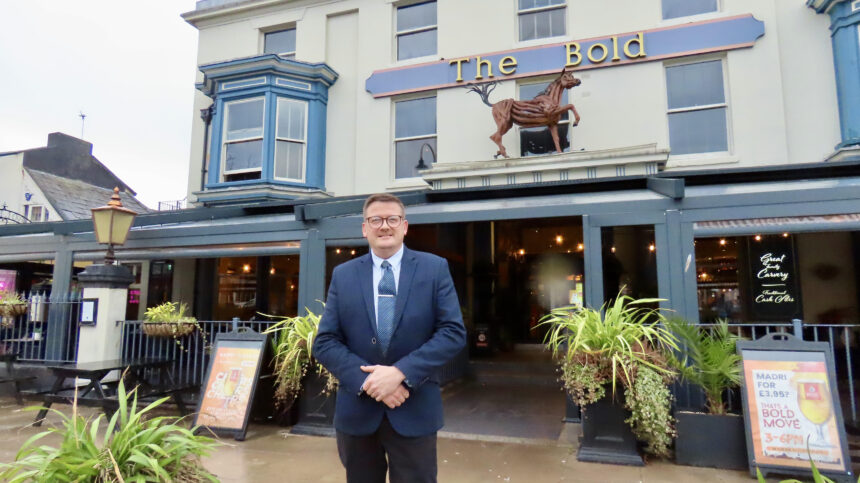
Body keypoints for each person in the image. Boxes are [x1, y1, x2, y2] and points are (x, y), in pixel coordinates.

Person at [313, 193, 466, 483]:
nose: (384, 226)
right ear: (364, 228)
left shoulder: (434, 269)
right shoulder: (343, 275)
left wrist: (400, 373)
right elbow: (326, 341)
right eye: (376, 220)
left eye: (392, 219)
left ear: (404, 226)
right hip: (357, 414)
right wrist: (370, 383)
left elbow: (452, 333)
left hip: (415, 407)